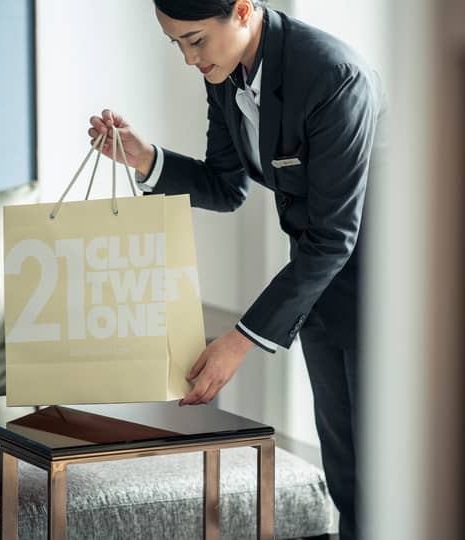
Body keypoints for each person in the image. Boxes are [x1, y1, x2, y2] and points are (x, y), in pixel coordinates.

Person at [88, 1, 385, 537]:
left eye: (195, 40)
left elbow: (335, 235)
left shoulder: (333, 76)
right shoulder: (226, 71)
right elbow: (228, 186)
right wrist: (144, 159)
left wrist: (240, 339)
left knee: (384, 481)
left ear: (243, 10)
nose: (187, 59)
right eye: (176, 44)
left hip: (387, 294)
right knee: (346, 477)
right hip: (317, 290)